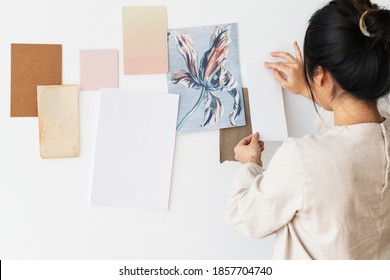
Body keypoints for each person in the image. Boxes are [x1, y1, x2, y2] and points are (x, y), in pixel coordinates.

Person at [226, 0, 390, 259]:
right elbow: (352, 135)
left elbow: (245, 215)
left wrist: (250, 163)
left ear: (322, 76)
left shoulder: (302, 159)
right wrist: (309, 89)